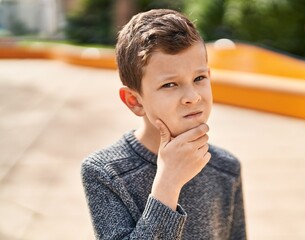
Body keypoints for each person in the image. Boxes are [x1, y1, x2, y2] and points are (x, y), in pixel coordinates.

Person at [81, 9, 247, 240]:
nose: (193, 96)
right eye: (170, 84)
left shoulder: (226, 168)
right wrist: (168, 183)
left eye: (199, 78)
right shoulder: (104, 173)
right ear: (134, 101)